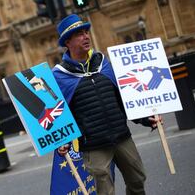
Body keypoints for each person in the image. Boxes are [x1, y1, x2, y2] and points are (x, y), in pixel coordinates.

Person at [52, 14, 162, 195]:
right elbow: (59, 115)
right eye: (79, 34)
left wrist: (145, 118)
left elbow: (124, 98)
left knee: (138, 179)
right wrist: (63, 141)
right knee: (105, 192)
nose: (86, 36)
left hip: (121, 136)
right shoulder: (59, 76)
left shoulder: (104, 64)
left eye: (86, 32)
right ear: (68, 42)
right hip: (93, 145)